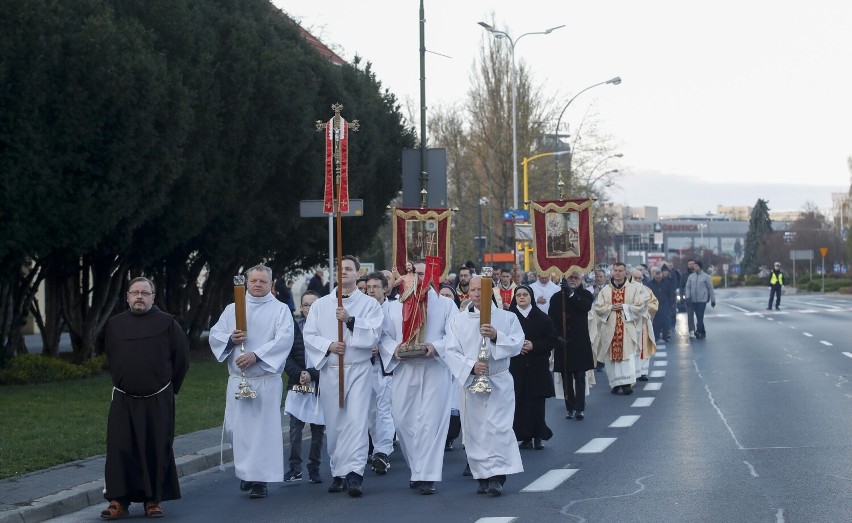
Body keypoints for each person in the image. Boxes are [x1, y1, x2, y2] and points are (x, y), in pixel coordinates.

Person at [100, 277, 189, 520]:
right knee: (119, 449)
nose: (139, 296)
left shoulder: (167, 323)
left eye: (145, 293)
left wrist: (169, 390)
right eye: (135, 292)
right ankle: (119, 501)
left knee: (156, 447)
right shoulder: (114, 325)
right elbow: (111, 356)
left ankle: (153, 501)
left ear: (153, 297)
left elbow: (181, 359)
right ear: (127, 297)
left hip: (158, 399)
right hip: (123, 399)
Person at [209, 264, 295, 499]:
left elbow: (284, 339)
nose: (258, 285)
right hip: (238, 380)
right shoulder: (232, 309)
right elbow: (216, 334)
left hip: (264, 379)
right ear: (247, 282)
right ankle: (247, 472)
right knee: (237, 430)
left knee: (263, 432)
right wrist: (230, 339)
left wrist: (256, 356)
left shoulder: (280, 310)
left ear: (271, 284)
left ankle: (260, 480)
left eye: (263, 282)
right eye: (254, 281)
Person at [302, 255, 384, 498]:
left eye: (349, 268)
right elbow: (310, 334)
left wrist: (350, 321)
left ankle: (354, 473)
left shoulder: (369, 305)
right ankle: (338, 472)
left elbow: (374, 333)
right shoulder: (321, 305)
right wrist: (329, 345)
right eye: (340, 269)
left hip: (358, 368)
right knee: (336, 422)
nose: (344, 272)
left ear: (358, 273)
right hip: (331, 369)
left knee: (356, 421)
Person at [378, 261, 459, 495]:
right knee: (403, 421)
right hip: (405, 368)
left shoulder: (445, 305)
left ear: (431, 276)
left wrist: (435, 346)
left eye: (422, 274)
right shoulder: (393, 307)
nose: (417, 278)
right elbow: (383, 336)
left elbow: (454, 336)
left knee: (432, 423)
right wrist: (395, 349)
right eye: (413, 274)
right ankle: (418, 468)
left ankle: (427, 476)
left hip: (434, 368)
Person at [444, 275, 525, 497]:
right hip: (471, 382)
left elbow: (518, 342)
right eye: (473, 290)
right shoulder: (458, 321)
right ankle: (482, 474)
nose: (477, 294)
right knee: (475, 430)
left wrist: (497, 336)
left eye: (481, 289)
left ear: (490, 291)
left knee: (498, 427)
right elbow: (450, 351)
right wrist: (470, 367)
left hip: (498, 379)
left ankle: (498, 475)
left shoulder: (507, 318)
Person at [508, 284, 559, 449]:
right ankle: (525, 436)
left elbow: (552, 340)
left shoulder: (542, 318)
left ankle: (538, 436)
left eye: (525, 295)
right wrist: (516, 346)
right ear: (515, 299)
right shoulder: (509, 317)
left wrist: (534, 345)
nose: (521, 297)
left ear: (531, 297)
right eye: (518, 295)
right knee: (520, 402)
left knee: (537, 403)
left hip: (537, 367)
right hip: (517, 367)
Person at [282, 293, 325, 485]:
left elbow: (330, 358)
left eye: (313, 304)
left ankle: (314, 468)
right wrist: (299, 373)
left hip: (319, 385)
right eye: (306, 305)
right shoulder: (293, 329)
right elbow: (285, 356)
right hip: (297, 384)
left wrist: (311, 373)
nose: (309, 308)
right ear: (301, 308)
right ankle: (294, 468)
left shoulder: (327, 329)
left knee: (317, 429)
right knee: (295, 429)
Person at [547, 270, 595, 420]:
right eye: (570, 278)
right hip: (563, 343)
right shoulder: (556, 297)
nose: (573, 280)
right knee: (566, 377)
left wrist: (572, 295)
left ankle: (580, 407)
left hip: (580, 343)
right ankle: (570, 407)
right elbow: (552, 318)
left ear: (581, 280)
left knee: (580, 376)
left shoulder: (586, 294)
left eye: (576, 278)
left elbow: (585, 307)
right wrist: (556, 336)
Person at [593, 263, 646, 395]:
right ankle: (615, 383)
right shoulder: (605, 291)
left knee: (626, 356)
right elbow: (598, 308)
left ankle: (627, 383)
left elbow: (640, 306)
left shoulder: (632, 290)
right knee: (611, 357)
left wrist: (625, 307)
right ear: (612, 272)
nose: (617, 273)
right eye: (615, 270)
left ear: (625, 273)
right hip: (610, 328)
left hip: (626, 327)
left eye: (620, 271)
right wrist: (610, 308)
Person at [364, 271, 395, 476]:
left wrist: (381, 347)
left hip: (386, 366)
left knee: (384, 409)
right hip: (365, 367)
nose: (372, 291)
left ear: (385, 288)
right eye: (369, 288)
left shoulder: (394, 310)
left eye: (376, 287)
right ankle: (377, 449)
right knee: (370, 413)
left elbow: (396, 336)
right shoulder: (363, 310)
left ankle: (383, 450)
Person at [630, 268, 659, 382]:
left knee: (644, 347)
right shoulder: (626, 290)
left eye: (639, 278)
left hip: (644, 323)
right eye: (635, 278)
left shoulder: (647, 290)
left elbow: (654, 303)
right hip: (631, 323)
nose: (637, 280)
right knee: (633, 348)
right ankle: (633, 371)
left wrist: (645, 310)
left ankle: (643, 372)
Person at [684, 260, 715, 339]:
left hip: (702, 300)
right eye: (694, 266)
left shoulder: (706, 276)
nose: (694, 267)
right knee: (698, 317)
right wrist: (687, 297)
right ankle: (702, 332)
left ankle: (698, 331)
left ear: (700, 267)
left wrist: (713, 300)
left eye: (696, 266)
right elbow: (687, 287)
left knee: (699, 317)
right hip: (692, 300)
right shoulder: (691, 276)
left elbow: (710, 288)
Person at [647, 267, 675, 342]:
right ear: (654, 277)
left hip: (665, 304)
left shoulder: (666, 283)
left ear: (661, 276)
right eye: (657, 278)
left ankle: (665, 336)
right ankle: (656, 336)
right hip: (654, 304)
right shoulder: (650, 284)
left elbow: (670, 293)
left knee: (666, 320)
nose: (658, 279)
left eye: (660, 278)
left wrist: (671, 303)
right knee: (656, 322)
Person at [682, 259, 696, 335]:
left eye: (693, 263)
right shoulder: (684, 275)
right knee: (690, 314)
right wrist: (682, 297)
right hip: (688, 298)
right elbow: (681, 286)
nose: (691, 265)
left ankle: (700, 329)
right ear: (688, 265)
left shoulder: (698, 274)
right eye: (690, 264)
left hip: (698, 298)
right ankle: (691, 329)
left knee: (699, 315)